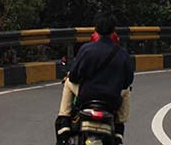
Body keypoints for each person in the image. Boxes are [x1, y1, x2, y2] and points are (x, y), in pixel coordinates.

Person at [56, 14, 134, 145]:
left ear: (96, 30)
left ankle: (64, 123)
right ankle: (119, 132)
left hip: (86, 98)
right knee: (126, 91)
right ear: (113, 31)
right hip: (111, 100)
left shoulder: (86, 49)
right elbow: (128, 81)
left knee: (68, 82)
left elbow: (74, 76)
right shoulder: (122, 54)